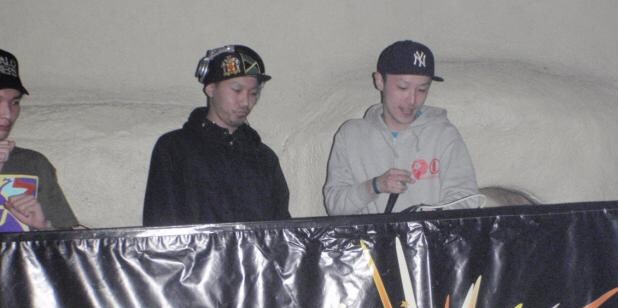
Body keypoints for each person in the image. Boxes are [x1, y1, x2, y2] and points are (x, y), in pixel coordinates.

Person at [324, 40, 482, 215]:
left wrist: (419, 223)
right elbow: (335, 207)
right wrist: (374, 186)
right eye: (403, 87)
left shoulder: (444, 134)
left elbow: (467, 200)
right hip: (371, 234)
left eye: (422, 90)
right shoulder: (351, 135)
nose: (412, 100)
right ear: (379, 81)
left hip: (432, 234)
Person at [143, 44, 290, 226]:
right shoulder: (174, 150)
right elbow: (160, 228)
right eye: (236, 90)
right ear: (211, 88)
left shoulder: (264, 159)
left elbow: (282, 230)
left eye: (253, 93)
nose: (246, 102)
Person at [0, 49, 78, 231]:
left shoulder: (33, 163)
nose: (7, 114)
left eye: (15, 102)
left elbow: (67, 242)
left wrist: (44, 228)